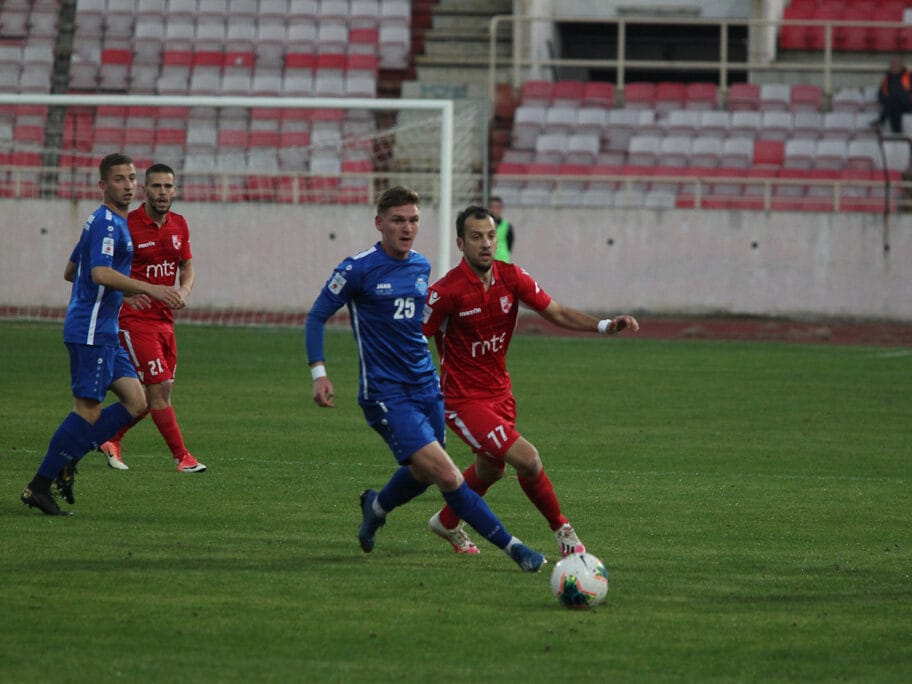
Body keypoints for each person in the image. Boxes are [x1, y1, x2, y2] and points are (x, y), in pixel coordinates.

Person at [305, 186, 546, 572]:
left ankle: (377, 506)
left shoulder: (421, 266)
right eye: (398, 220)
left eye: (414, 219)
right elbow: (316, 316)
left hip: (428, 389)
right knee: (447, 473)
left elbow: (427, 330)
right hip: (386, 393)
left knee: (423, 472)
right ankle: (516, 549)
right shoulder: (357, 269)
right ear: (379, 223)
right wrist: (320, 373)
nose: (407, 227)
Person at [422, 205, 639, 557]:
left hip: (500, 394)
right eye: (476, 237)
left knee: (490, 469)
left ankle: (446, 522)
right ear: (460, 243)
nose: (486, 244)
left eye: (491, 236)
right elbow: (415, 339)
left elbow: (556, 312)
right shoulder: (445, 292)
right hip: (463, 401)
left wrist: (603, 325)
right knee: (528, 459)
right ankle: (564, 533)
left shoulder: (512, 277)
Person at [20, 153, 184, 516]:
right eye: (119, 180)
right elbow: (97, 273)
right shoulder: (109, 225)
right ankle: (41, 484)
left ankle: (69, 457)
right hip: (90, 329)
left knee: (136, 401)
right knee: (88, 411)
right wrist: (151, 288)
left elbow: (71, 271)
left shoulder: (104, 222)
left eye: (130, 179)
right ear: (103, 185)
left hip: (106, 328)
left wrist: (124, 292)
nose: (128, 186)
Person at [90, 163, 205, 473]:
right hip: (134, 319)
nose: (162, 192)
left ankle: (107, 437)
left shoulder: (179, 224)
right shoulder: (127, 225)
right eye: (156, 186)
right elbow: (103, 270)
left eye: (168, 187)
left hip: (165, 320)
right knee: (159, 390)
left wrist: (184, 289)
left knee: (151, 393)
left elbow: (188, 264)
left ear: (175, 190)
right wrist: (126, 296)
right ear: (145, 190)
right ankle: (183, 458)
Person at [876, 56, 912, 134]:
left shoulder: (909, 75)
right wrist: (886, 99)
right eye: (892, 64)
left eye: (895, 64)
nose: (893, 66)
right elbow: (881, 94)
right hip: (894, 104)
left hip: (908, 103)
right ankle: (898, 133)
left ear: (901, 65)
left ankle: (882, 120)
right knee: (894, 104)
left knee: (894, 97)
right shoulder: (887, 78)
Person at [487, 196, 514, 263]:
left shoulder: (507, 225)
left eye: (497, 207)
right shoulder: (485, 225)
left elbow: (510, 243)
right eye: (492, 207)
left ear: (501, 208)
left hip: (503, 259)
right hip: (488, 259)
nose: (495, 210)